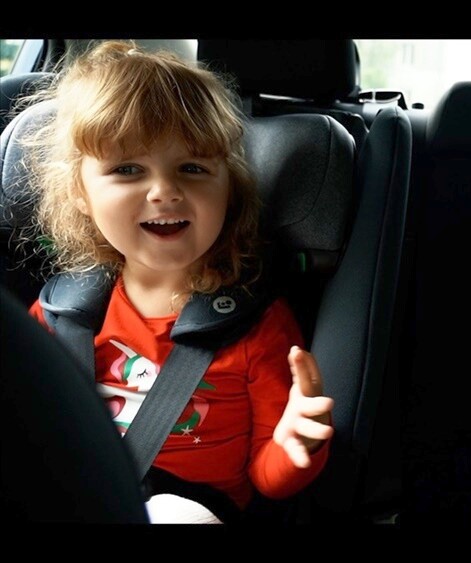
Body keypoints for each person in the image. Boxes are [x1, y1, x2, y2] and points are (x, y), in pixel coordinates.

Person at [21, 41, 334, 523]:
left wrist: (297, 444)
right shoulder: (62, 313)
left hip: (189, 507)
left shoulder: (256, 325)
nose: (165, 191)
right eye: (127, 169)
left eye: (192, 168)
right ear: (80, 192)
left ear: (228, 189)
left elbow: (267, 477)